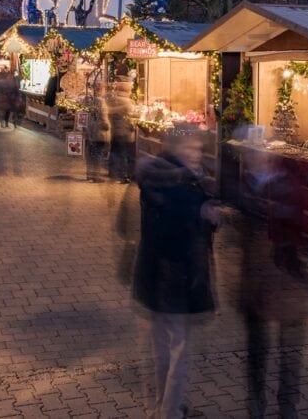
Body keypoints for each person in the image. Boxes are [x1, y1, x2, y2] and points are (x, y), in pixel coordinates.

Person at [133, 127, 221, 419]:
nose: (198, 155)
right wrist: (203, 214)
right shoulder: (180, 184)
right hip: (175, 275)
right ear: (177, 149)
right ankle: (170, 412)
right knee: (179, 351)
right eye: (193, 149)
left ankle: (163, 406)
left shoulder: (157, 177)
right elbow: (177, 225)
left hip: (153, 273)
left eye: (199, 149)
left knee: (162, 349)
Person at [237, 149, 308, 418]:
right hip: (257, 286)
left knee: (288, 354)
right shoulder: (246, 186)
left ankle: (285, 408)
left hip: (286, 282)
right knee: (259, 353)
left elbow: (299, 222)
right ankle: (257, 406)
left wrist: (275, 211)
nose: (256, 160)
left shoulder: (284, 184)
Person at [107, 79, 136, 182]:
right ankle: (124, 175)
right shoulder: (128, 102)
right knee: (125, 153)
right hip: (125, 131)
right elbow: (132, 117)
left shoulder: (111, 99)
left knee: (114, 151)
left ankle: (112, 172)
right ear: (127, 90)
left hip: (113, 131)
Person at [86, 82, 111, 183]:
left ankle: (89, 174)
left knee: (90, 154)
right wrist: (107, 126)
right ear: (101, 89)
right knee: (98, 154)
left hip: (90, 130)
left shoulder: (87, 99)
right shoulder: (101, 101)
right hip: (99, 131)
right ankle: (97, 176)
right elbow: (104, 117)